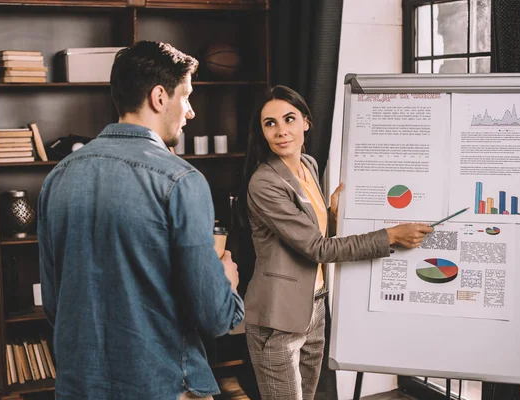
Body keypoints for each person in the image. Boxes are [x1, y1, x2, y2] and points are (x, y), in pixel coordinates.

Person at [37, 41, 244, 400]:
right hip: (164, 385)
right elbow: (214, 317)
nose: (190, 112)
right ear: (159, 97)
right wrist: (226, 284)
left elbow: (56, 307)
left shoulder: (57, 178)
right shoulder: (181, 180)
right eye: (186, 96)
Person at [239, 85, 433, 400]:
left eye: (289, 119)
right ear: (261, 132)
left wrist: (330, 213)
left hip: (314, 307)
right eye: (269, 123)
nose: (281, 130)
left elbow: (313, 234)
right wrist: (392, 236)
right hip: (277, 317)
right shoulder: (264, 183)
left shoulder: (309, 166)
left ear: (306, 122)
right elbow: (318, 248)